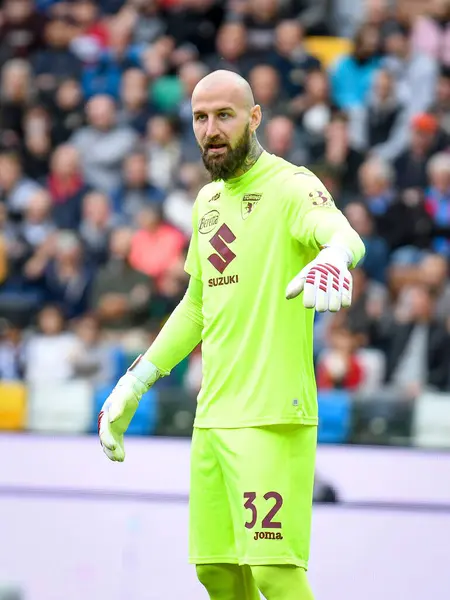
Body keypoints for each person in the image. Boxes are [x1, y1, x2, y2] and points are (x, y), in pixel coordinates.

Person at [98, 70, 365, 600]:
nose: (211, 129)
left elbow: (342, 233)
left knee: (274, 572)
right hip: (213, 417)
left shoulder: (291, 185)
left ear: (254, 117)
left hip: (271, 416)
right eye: (201, 117)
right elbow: (197, 307)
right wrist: (134, 383)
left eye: (225, 115)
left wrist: (335, 257)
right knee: (217, 572)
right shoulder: (207, 204)